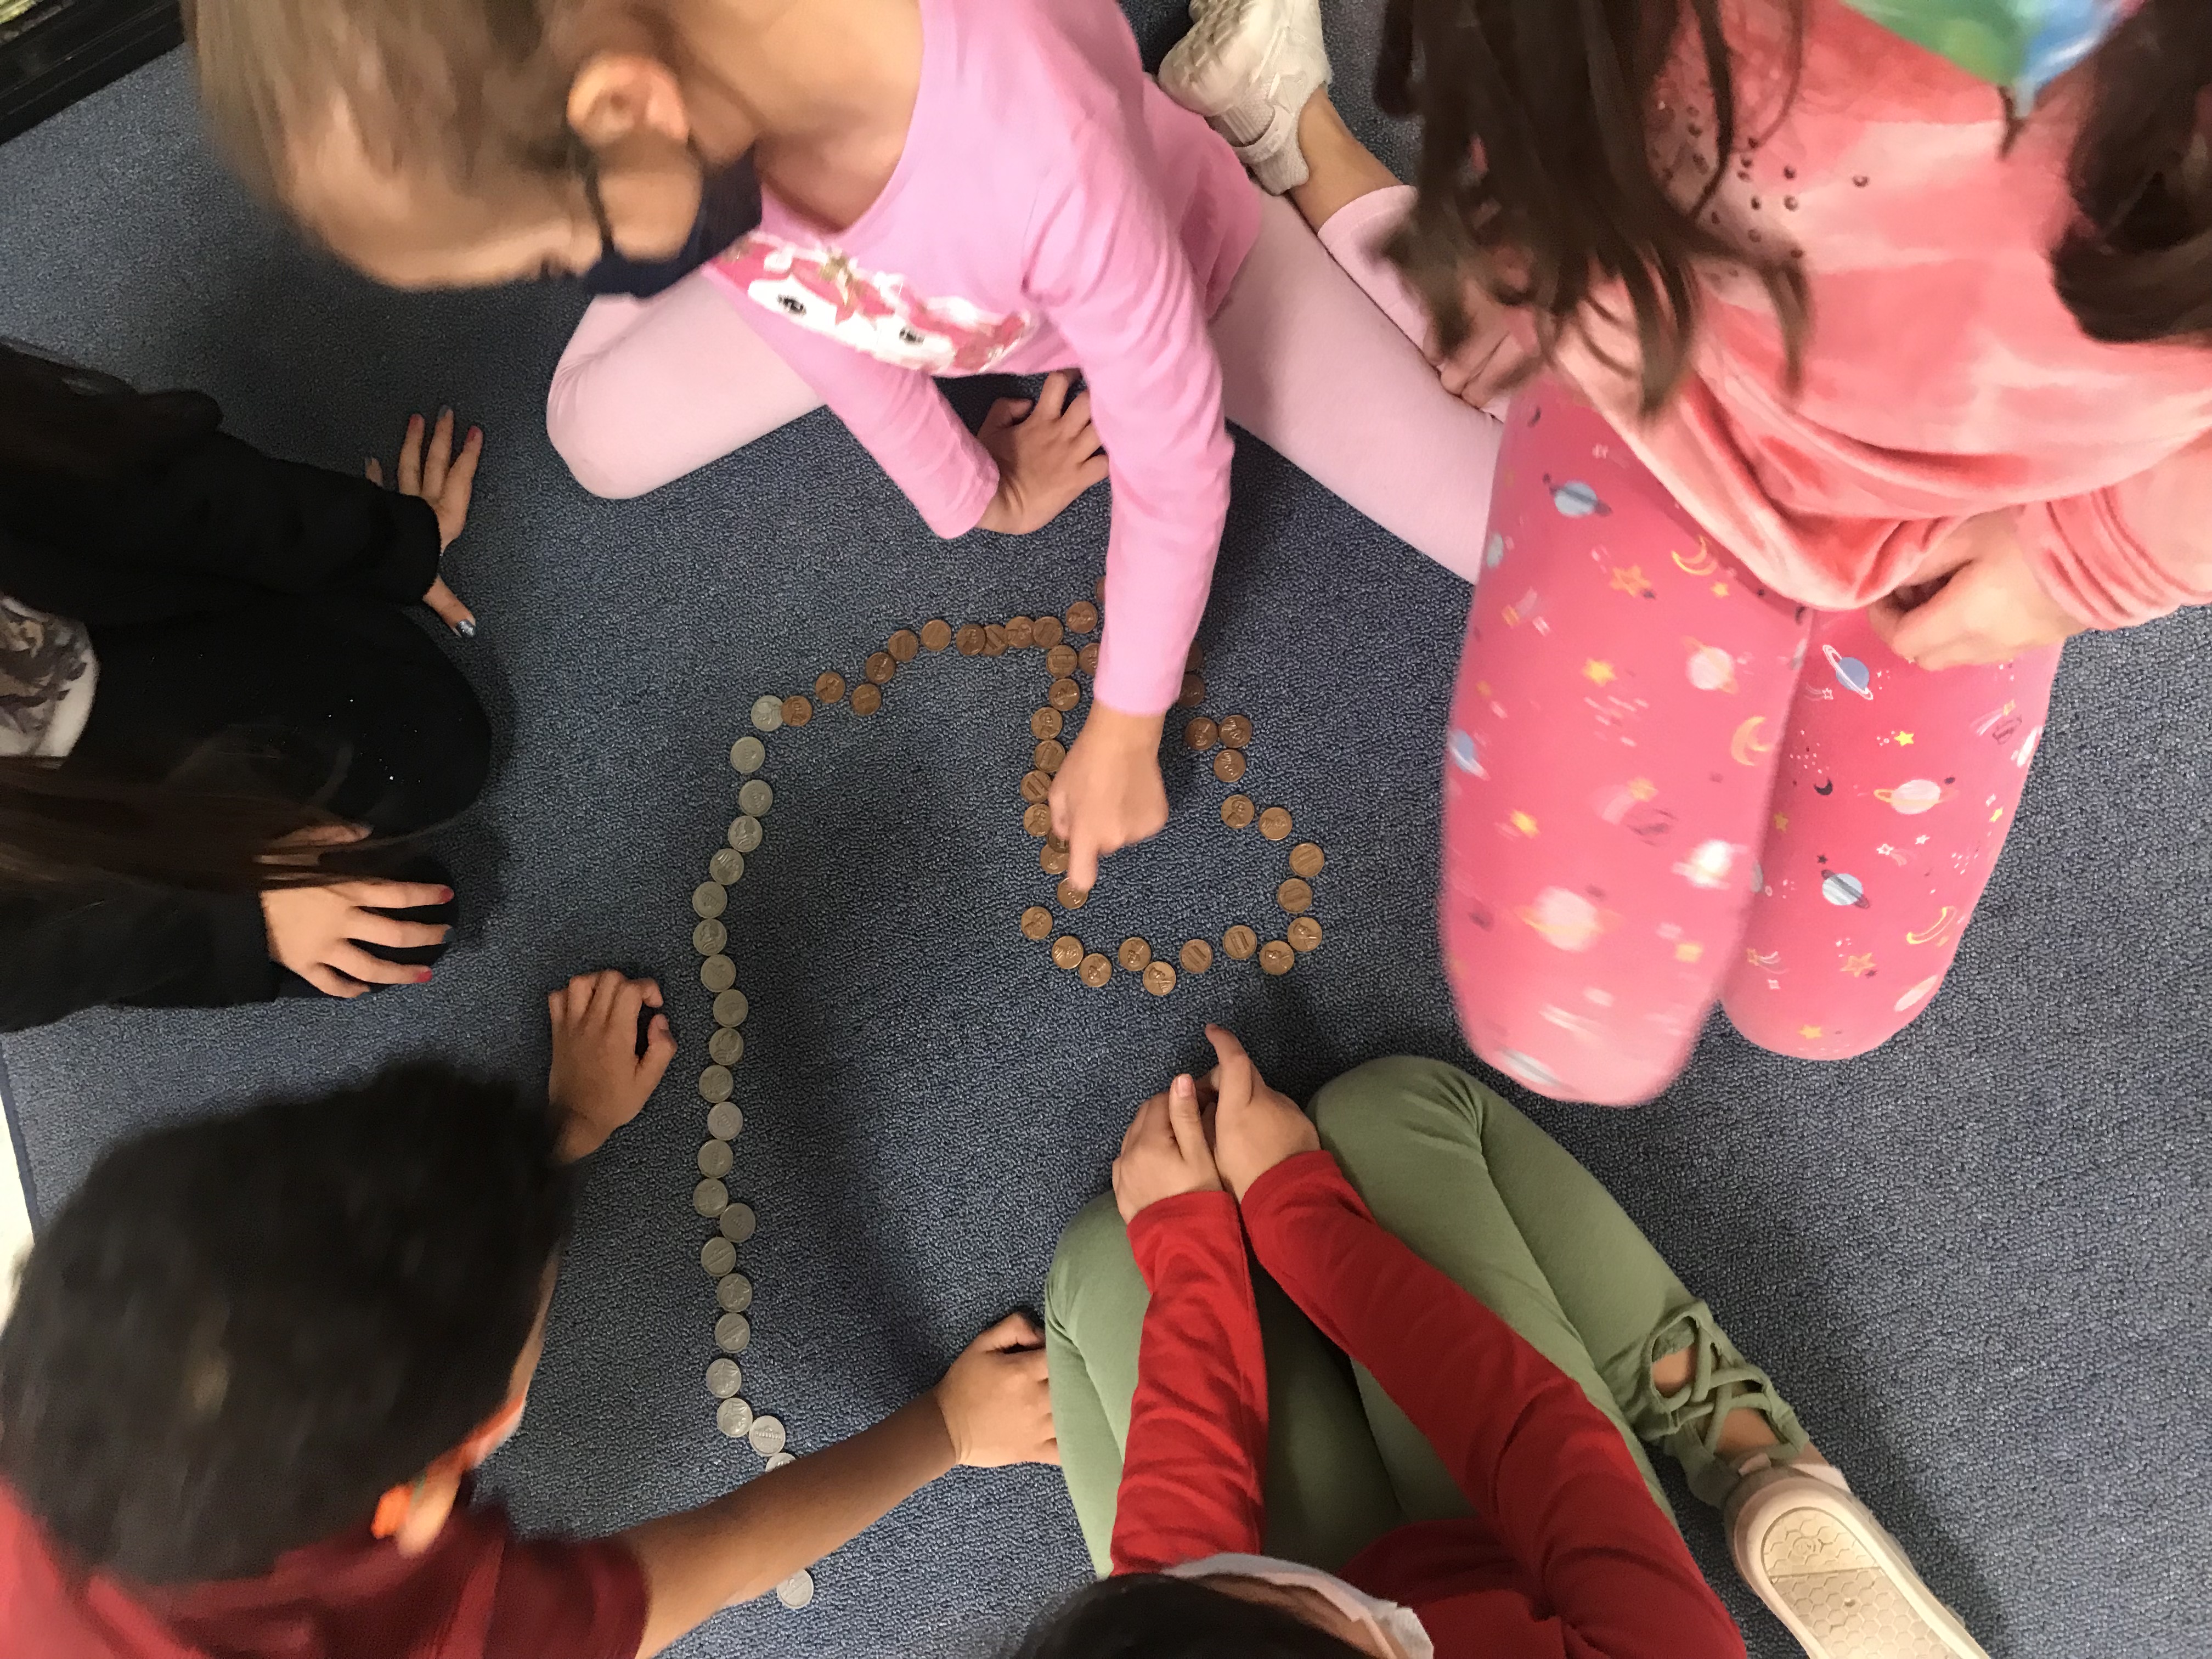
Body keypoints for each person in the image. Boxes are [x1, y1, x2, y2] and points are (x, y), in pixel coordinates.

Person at [183, 0, 1505, 895]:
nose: (573, 274)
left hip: (1180, 259)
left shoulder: (1036, 150)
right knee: (591, 434)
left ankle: (1291, 126)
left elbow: (1175, 460)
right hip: (916, 287)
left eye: (551, 250)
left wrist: (1124, 720)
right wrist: (973, 494)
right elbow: (795, 299)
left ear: (626, 103)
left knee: (1505, 524)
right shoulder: (706, 118)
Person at [1291, 0, 2212, 1102]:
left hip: (1993, 513)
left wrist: (2103, 552)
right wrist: (1531, 210)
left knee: (1823, 1007)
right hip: (1661, 384)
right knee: (1560, 1026)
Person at [0, 967, 1058, 1659]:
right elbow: (727, 1549)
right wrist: (948, 1428)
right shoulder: (463, 1633)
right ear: (425, 1491)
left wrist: (548, 1135)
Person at [1031, 1026, 1987, 1659]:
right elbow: (1531, 1433)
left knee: (1105, 1255)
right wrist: (1295, 1209)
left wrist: (1192, 1256)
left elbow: (1170, 1582)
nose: (1222, 1578)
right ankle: (1741, 1440)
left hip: (1391, 1601)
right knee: (1388, 1109)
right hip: (1549, 1577)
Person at [0, 343, 494, 1029]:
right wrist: (243, 913)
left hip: (121, 614)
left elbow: (164, 489)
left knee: (443, 748)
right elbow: (28, 963)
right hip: (72, 851)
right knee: (411, 914)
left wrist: (394, 543)